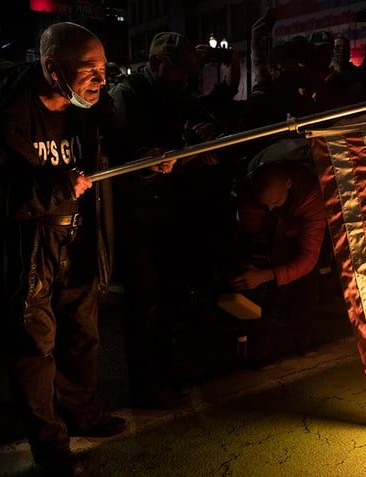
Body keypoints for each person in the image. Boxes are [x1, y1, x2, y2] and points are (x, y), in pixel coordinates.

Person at [0, 22, 124, 476]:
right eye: (90, 69)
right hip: (25, 248)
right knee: (35, 347)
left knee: (82, 334)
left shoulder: (90, 107)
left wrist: (152, 160)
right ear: (53, 69)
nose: (101, 79)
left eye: (104, 68)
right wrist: (55, 190)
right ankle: (50, 446)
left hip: (77, 238)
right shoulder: (1, 112)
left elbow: (120, 148)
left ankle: (83, 414)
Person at [105, 31, 223, 410]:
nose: (185, 80)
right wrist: (156, 159)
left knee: (169, 297)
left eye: (188, 74)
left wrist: (201, 143)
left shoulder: (176, 95)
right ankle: (145, 385)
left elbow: (186, 138)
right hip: (138, 215)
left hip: (170, 210)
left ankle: (163, 373)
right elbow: (121, 159)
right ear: (156, 63)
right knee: (145, 303)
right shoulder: (127, 96)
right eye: (179, 72)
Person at [230, 153, 327, 366]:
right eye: (265, 205)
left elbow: (308, 257)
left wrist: (268, 275)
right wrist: (258, 267)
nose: (271, 208)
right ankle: (261, 346)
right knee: (253, 282)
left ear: (289, 184)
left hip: (299, 235)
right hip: (270, 235)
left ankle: (303, 336)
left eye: (275, 202)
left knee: (308, 280)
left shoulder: (311, 196)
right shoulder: (252, 194)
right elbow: (252, 230)